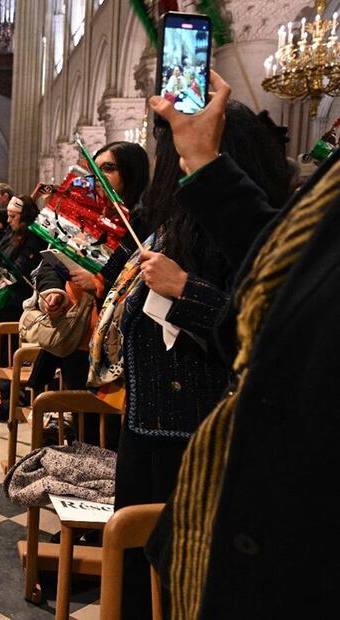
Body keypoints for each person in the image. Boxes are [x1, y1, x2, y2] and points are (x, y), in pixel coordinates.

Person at [142, 71, 331, 619]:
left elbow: (265, 315)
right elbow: (282, 279)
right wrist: (204, 166)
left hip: (207, 435)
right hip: (162, 430)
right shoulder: (178, 222)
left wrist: (186, 290)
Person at [90, 101, 289, 617]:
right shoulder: (168, 224)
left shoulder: (250, 236)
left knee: (182, 584)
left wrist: (185, 289)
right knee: (141, 583)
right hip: (148, 428)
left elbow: (260, 336)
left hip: (196, 436)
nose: (177, 165)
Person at [32, 141, 151, 394]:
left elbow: (142, 282)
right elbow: (51, 262)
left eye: (108, 168)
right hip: (76, 332)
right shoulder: (89, 216)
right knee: (81, 423)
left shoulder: (143, 222)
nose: (99, 176)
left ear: (132, 172)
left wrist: (100, 281)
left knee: (105, 428)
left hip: (114, 342)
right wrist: (55, 291)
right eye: (95, 169)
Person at [0, 196, 45, 373]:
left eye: (12, 216)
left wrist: (4, 265)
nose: (8, 220)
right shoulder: (12, 232)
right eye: (8, 216)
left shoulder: (34, 237)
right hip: (7, 293)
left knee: (0, 318)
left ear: (24, 216)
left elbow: (21, 270)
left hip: (22, 298)